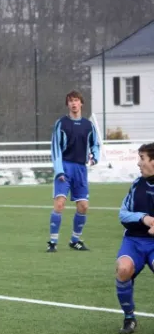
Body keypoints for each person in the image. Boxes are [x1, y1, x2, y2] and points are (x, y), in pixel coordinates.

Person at [47, 90, 100, 252]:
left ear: (81, 103)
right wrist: (59, 171)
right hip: (64, 166)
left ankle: (75, 241)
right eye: (70, 101)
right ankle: (53, 243)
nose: (73, 103)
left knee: (83, 206)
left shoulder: (88, 125)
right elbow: (55, 148)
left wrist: (94, 158)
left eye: (76, 100)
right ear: (67, 104)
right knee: (60, 204)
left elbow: (95, 144)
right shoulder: (61, 123)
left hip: (80, 169)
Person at [114, 143, 154, 334]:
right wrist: (144, 218)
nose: (138, 163)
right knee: (123, 269)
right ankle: (129, 317)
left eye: (142, 158)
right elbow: (123, 214)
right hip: (134, 241)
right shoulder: (137, 184)